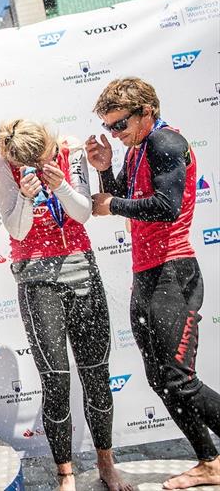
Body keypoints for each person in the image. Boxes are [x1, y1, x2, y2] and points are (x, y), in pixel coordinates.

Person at [88, 77, 220, 490]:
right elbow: (124, 202)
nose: (115, 133)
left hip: (173, 273)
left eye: (120, 124)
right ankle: (210, 462)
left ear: (147, 111)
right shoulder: (138, 149)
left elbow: (166, 207)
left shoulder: (164, 142)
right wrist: (106, 170)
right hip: (147, 275)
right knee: (160, 380)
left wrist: (113, 203)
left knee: (180, 378)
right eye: (109, 127)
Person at [0, 119, 130, 491]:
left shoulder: (69, 150)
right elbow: (17, 230)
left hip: (81, 268)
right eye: (30, 162)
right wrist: (27, 197)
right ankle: (64, 473)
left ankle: (106, 464)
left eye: (46, 156)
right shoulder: (1, 167)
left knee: (97, 374)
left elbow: (82, 213)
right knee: (55, 380)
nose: (41, 163)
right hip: (35, 278)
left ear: (52, 143)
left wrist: (61, 185)